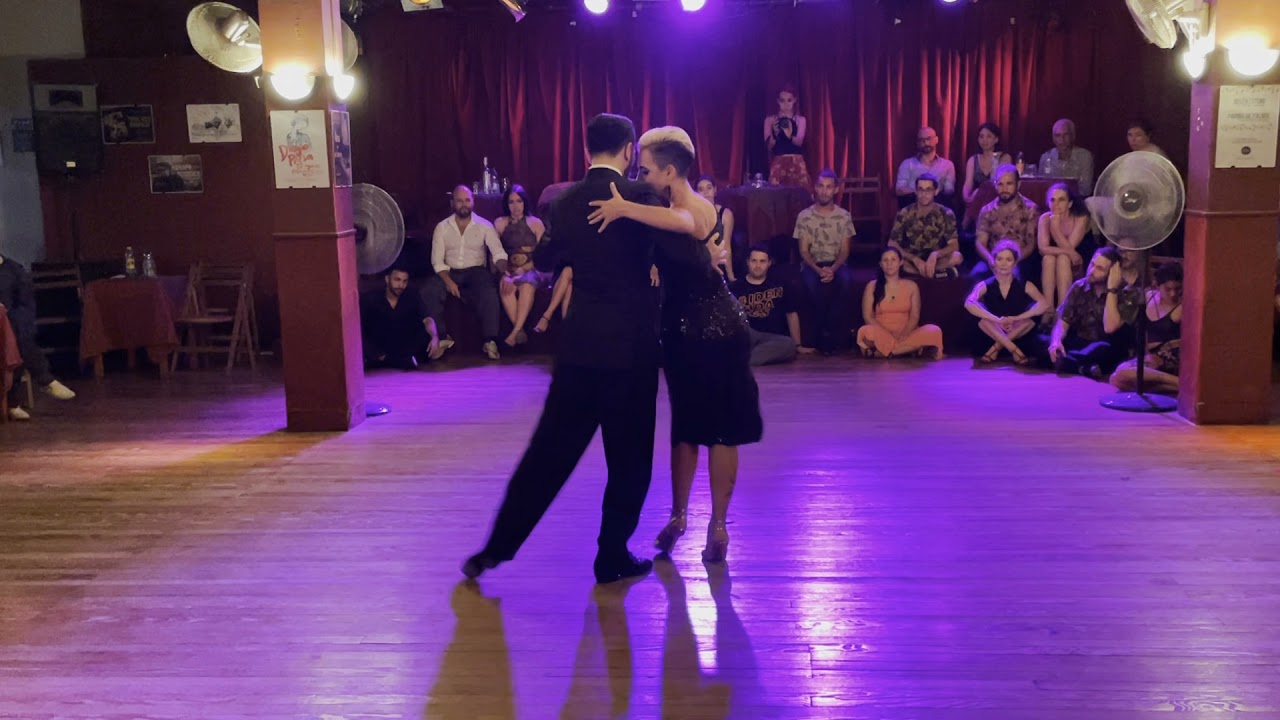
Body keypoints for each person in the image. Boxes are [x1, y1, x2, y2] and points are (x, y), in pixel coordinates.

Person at [461, 113, 669, 585]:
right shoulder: (639, 197)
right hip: (631, 350)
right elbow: (666, 250)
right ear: (630, 151)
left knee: (547, 456)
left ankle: (494, 549)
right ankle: (611, 555)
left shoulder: (565, 202)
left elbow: (552, 258)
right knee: (630, 460)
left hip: (579, 348)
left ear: (584, 151)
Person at [586, 125, 763, 564]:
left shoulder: (695, 208)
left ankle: (717, 526)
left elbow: (682, 224)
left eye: (645, 169)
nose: (638, 174)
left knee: (721, 431)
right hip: (683, 334)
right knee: (684, 429)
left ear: (668, 172)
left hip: (717, 332)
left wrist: (623, 207)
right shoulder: (666, 206)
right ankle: (680, 517)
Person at [422, 186, 508, 360]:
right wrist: (449, 282)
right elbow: (437, 262)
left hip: (476, 271)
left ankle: (489, 340)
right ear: (453, 202)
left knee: (488, 291)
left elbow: (498, 253)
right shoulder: (442, 227)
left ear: (473, 202)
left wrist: (505, 271)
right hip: (449, 271)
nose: (464, 204)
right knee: (428, 290)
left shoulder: (485, 226)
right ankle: (443, 338)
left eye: (467, 200)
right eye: (460, 200)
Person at [0, 253, 77, 421]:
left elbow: (26, 306)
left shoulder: (14, 270)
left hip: (7, 330)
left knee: (16, 334)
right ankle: (43, 380)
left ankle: (13, 403)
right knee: (16, 336)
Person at [794, 170, 856, 353]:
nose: (824, 191)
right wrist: (818, 269)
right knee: (811, 286)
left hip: (837, 263)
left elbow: (845, 250)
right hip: (812, 263)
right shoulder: (804, 216)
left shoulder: (844, 216)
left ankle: (835, 333)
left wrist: (833, 269)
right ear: (815, 187)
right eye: (821, 186)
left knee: (846, 283)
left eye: (829, 187)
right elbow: (803, 250)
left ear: (835, 189)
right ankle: (822, 333)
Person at [964, 239, 1050, 365]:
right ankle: (1013, 350)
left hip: (1016, 335)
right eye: (1000, 259)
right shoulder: (984, 284)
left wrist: (1016, 318)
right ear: (994, 261)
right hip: (991, 336)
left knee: (1029, 321)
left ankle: (996, 348)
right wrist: (997, 320)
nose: (1003, 263)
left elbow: (1044, 305)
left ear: (1015, 263)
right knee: (983, 321)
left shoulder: (1025, 285)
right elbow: (969, 303)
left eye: (1008, 260)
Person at [856, 246, 944, 358]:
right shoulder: (872, 286)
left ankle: (888, 352)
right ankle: (905, 349)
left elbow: (914, 316)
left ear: (901, 262)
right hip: (880, 332)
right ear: (880, 264)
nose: (889, 264)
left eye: (893, 259)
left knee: (933, 330)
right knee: (865, 331)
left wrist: (903, 334)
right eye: (885, 260)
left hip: (906, 333)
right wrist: (885, 334)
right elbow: (868, 316)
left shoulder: (912, 286)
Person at [730, 245, 812, 365]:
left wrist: (798, 345)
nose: (758, 266)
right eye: (754, 261)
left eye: (762, 261)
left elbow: (791, 314)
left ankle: (743, 361)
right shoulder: (735, 287)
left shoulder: (780, 284)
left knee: (789, 345)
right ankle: (743, 359)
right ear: (748, 262)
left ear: (769, 263)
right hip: (748, 335)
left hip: (773, 337)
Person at [1110, 262, 1181, 394]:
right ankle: (1177, 386)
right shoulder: (1149, 296)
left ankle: (1181, 383)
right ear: (1157, 285)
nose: (1173, 294)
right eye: (1168, 289)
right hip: (1151, 359)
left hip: (1169, 358)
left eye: (1177, 289)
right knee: (1115, 379)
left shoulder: (1181, 307)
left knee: (1122, 374)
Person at [359, 267, 447, 369]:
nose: (401, 285)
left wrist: (434, 337)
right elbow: (360, 328)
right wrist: (375, 353)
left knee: (422, 333)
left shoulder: (412, 296)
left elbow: (427, 319)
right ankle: (397, 361)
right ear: (387, 279)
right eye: (397, 280)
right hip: (380, 347)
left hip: (402, 344)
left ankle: (398, 360)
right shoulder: (371, 298)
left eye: (404, 281)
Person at [494, 185, 547, 348]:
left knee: (527, 285)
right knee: (506, 287)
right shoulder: (500, 223)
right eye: (511, 202)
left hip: (532, 268)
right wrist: (505, 273)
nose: (515, 206)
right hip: (508, 270)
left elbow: (543, 255)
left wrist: (524, 269)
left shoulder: (536, 223)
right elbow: (495, 252)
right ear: (506, 204)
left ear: (525, 203)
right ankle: (520, 331)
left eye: (519, 201)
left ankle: (514, 332)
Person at [887, 173, 963, 278]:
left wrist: (936, 254)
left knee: (957, 257)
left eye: (928, 190)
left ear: (935, 191)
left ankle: (924, 272)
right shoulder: (905, 213)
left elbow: (954, 245)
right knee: (894, 261)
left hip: (936, 259)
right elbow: (892, 243)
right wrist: (914, 259)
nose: (924, 194)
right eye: (920, 190)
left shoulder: (946, 213)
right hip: (912, 258)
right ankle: (936, 274)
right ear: (916, 191)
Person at [1037, 182, 1091, 319]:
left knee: (1063, 258)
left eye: (1061, 200)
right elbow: (1043, 249)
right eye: (1052, 200)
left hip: (1079, 261)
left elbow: (1070, 247)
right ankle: (1048, 310)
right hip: (1061, 259)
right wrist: (1069, 253)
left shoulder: (1081, 217)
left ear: (1070, 204)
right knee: (1048, 258)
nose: (1056, 204)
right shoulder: (1044, 218)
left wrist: (1055, 228)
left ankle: (1062, 310)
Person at [895, 126, 957, 208]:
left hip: (938, 206)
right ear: (917, 143)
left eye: (928, 139)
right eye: (921, 140)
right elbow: (899, 190)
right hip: (913, 205)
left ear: (936, 140)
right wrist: (921, 192)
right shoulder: (907, 164)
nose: (925, 142)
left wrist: (933, 193)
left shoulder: (947, 165)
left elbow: (949, 191)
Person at [764, 86, 811, 188]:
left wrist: (790, 135)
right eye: (782, 100)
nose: (786, 104)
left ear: (794, 100)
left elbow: (799, 142)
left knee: (800, 197)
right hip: (779, 162)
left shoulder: (800, 120)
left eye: (789, 100)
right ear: (777, 101)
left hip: (797, 163)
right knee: (776, 197)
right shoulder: (770, 120)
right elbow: (768, 147)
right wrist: (775, 134)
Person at [1038, 118, 1095, 195]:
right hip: (1052, 202)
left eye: (1066, 135)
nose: (1062, 140)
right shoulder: (1046, 158)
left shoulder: (1084, 157)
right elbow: (1040, 188)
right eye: (1058, 135)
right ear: (1053, 138)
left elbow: (1086, 190)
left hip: (1076, 203)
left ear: (1073, 136)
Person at [695, 176, 735, 282]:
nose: (706, 192)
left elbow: (727, 247)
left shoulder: (725, 214)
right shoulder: (692, 215)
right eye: (701, 189)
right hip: (699, 266)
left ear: (715, 190)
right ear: (696, 194)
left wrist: (731, 277)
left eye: (709, 188)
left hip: (720, 265)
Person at [962, 122, 1013, 204]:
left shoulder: (1004, 158)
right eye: (981, 136)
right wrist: (967, 198)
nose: (984, 140)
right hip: (977, 201)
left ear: (996, 139)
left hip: (998, 202)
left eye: (989, 136)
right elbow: (968, 184)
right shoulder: (973, 160)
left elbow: (1004, 183)